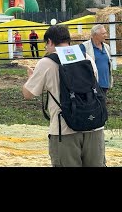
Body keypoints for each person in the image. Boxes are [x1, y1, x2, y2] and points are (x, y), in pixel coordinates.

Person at [22, 25, 105, 167]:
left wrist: (30, 78)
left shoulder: (46, 63)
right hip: (94, 125)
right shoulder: (86, 58)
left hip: (64, 130)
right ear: (68, 40)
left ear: (49, 41)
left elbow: (28, 94)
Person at [79, 24, 113, 94]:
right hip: (91, 86)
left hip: (104, 85)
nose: (106, 35)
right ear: (95, 35)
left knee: (102, 104)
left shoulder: (107, 47)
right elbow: (79, 66)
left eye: (105, 33)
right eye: (103, 34)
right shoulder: (84, 46)